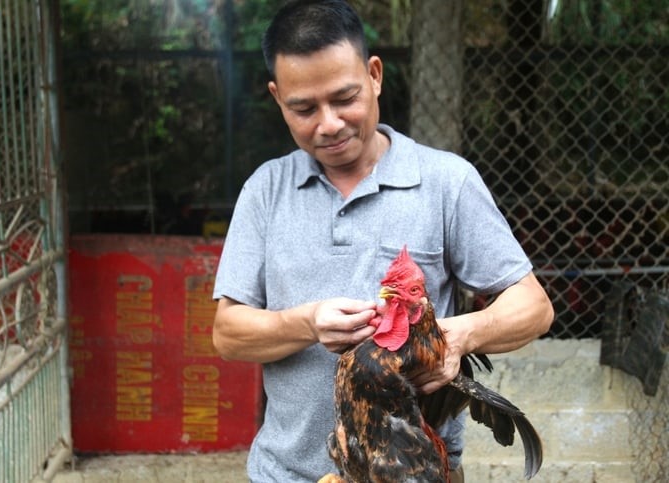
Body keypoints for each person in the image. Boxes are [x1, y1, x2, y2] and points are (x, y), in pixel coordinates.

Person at [212, 1, 554, 481]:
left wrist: (456, 338)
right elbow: (228, 333)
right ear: (277, 97)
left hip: (418, 473)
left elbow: (534, 306)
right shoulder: (265, 190)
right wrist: (307, 323)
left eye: (344, 98)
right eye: (304, 108)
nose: (328, 123)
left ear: (374, 75)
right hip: (287, 473)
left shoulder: (446, 182)